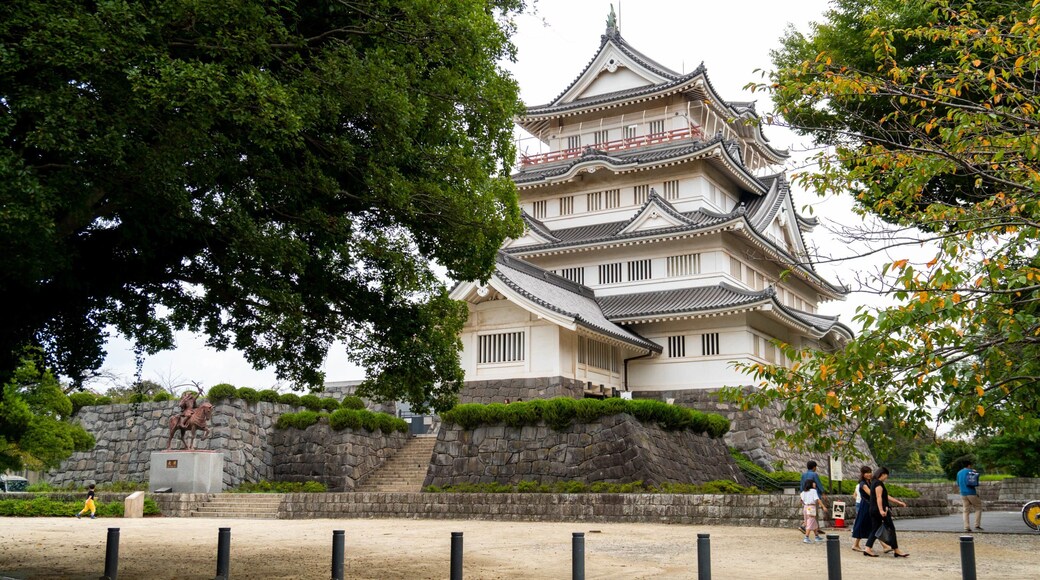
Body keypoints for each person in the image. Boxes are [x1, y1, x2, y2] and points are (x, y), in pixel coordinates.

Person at [863, 467, 909, 558]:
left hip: (873, 509)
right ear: (883, 474)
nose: (886, 478)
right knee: (891, 528)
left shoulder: (874, 482)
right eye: (886, 476)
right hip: (880, 510)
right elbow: (879, 497)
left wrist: (898, 502)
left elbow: (885, 496)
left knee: (875, 529)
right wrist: (881, 510)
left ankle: (867, 548)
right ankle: (896, 550)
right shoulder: (878, 483)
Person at [798, 460, 827, 533]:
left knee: (808, 514)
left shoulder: (803, 475)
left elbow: (801, 485)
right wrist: (823, 493)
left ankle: (816, 528)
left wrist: (802, 495)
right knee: (813, 513)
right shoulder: (814, 474)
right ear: (814, 467)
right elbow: (818, 484)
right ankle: (805, 526)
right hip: (814, 497)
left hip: (806, 496)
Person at [850, 465, 874, 552]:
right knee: (866, 524)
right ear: (863, 474)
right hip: (865, 505)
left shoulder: (869, 483)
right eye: (866, 473)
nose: (869, 474)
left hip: (868, 505)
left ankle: (856, 544)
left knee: (869, 524)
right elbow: (871, 494)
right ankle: (885, 545)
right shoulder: (863, 484)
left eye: (870, 472)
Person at [957, 460, 983, 532]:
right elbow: (976, 479)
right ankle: (977, 525)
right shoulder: (971, 471)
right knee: (978, 507)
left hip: (963, 493)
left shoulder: (959, 473)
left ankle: (966, 527)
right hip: (971, 492)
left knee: (965, 510)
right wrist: (974, 471)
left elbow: (958, 483)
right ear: (969, 465)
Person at [800, 479, 827, 544]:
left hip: (805, 507)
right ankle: (806, 537)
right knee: (810, 522)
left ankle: (816, 536)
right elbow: (818, 500)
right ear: (811, 484)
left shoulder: (803, 492)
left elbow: (801, 500)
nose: (815, 484)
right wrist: (823, 506)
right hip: (811, 507)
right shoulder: (813, 491)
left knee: (813, 522)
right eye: (814, 483)